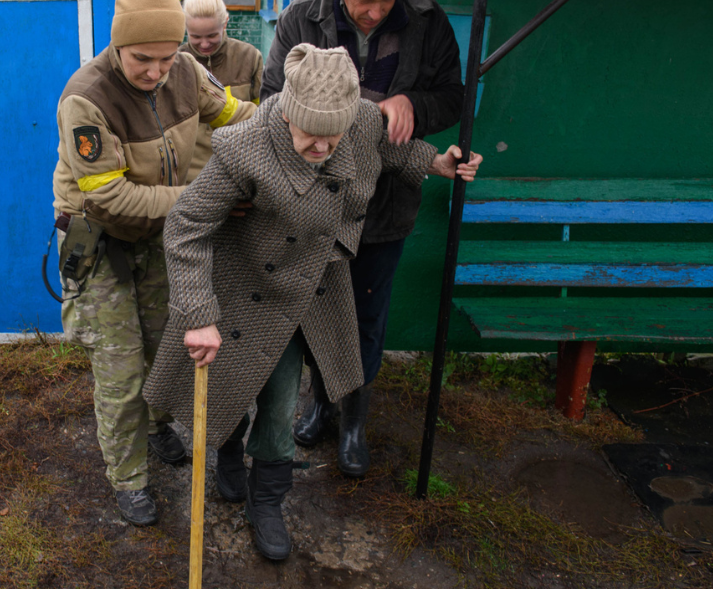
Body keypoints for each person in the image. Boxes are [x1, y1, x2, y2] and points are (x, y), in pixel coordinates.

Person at [144, 45, 481, 560]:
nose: (322, 146)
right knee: (233, 386)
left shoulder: (364, 122)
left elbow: (390, 151)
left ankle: (268, 502)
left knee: (280, 403)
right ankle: (228, 457)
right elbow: (186, 225)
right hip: (245, 286)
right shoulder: (243, 146)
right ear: (285, 114)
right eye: (309, 135)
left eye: (334, 136)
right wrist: (199, 315)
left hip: (310, 293)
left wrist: (437, 162)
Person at [53, 0, 257, 527]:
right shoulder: (85, 99)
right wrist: (204, 199)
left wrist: (295, 128)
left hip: (163, 237)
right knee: (120, 373)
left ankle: (159, 424)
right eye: (143, 58)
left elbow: (236, 114)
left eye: (167, 58)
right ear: (117, 45)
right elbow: (111, 197)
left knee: (166, 348)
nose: (156, 72)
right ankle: (129, 479)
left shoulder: (188, 71)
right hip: (101, 247)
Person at [260, 0, 465, 477]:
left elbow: (452, 96)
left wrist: (411, 104)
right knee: (312, 310)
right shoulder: (301, 17)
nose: (374, 12)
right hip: (314, 200)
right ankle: (320, 402)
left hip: (385, 201)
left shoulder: (426, 19)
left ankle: (353, 417)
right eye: (362, 2)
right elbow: (270, 96)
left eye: (385, 0)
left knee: (367, 315)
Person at [180, 0, 264, 179]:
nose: (204, 44)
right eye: (195, 37)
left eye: (212, 36)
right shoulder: (176, 64)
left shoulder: (249, 58)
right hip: (190, 179)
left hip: (240, 173)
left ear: (225, 23)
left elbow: (262, 119)